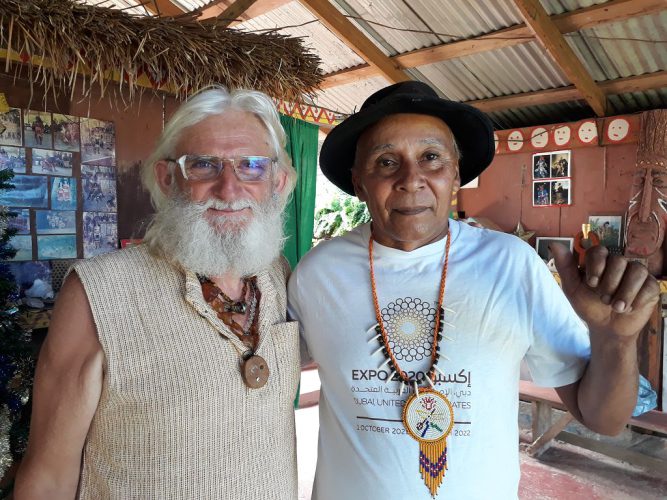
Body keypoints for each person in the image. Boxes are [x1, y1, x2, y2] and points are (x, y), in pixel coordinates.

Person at [288, 81, 659, 500]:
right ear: (359, 184)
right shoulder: (317, 273)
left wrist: (617, 340)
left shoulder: (511, 264)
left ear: (456, 174)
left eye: (431, 158)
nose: (412, 180)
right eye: (386, 162)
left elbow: (605, 420)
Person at [15, 88, 300, 499]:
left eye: (251, 166)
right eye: (204, 165)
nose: (229, 187)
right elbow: (47, 477)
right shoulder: (99, 293)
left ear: (279, 182)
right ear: (168, 180)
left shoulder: (278, 277)